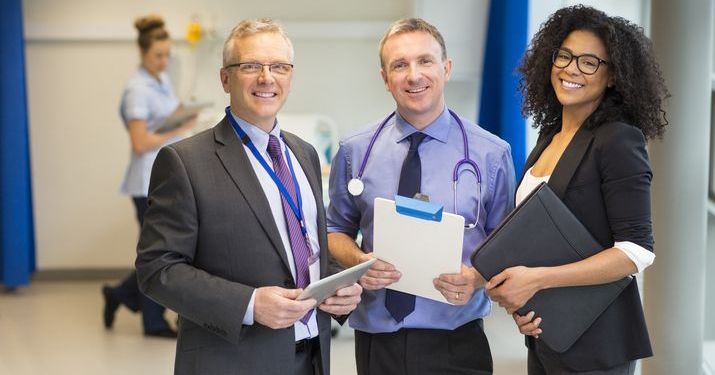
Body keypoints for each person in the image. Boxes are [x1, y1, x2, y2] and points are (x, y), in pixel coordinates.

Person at [135, 18, 362, 374]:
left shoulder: (305, 154)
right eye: (251, 66)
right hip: (233, 361)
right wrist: (250, 303)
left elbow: (302, 244)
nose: (266, 78)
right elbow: (157, 269)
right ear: (225, 78)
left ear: (290, 76)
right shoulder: (185, 162)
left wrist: (341, 287)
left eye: (278, 67)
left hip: (311, 357)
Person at [485, 5, 669, 374]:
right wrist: (519, 295)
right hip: (549, 331)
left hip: (598, 342)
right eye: (565, 56)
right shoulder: (551, 135)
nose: (571, 69)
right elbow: (539, 233)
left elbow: (635, 252)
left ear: (613, 76)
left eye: (589, 62)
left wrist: (536, 280)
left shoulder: (619, 139)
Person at [327, 18, 515, 375]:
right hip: (377, 341)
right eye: (399, 65)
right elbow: (334, 230)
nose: (414, 75)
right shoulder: (354, 151)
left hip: (457, 340)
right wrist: (358, 261)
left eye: (425, 61)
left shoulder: (492, 154)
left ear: (446, 68)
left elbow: (506, 244)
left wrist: (475, 278)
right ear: (385, 78)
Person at [102, 14, 195, 338]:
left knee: (164, 248)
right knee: (160, 252)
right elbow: (141, 142)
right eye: (158, 55)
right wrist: (181, 127)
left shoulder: (161, 80)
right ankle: (153, 322)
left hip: (166, 179)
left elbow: (164, 121)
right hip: (146, 183)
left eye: (167, 54)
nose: (164, 60)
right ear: (142, 53)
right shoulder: (136, 90)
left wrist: (183, 114)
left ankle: (120, 294)